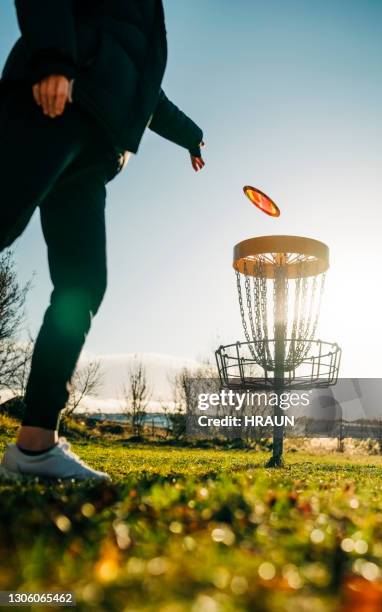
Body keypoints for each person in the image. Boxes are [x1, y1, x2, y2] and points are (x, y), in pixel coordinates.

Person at [0, 0, 205, 481]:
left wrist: (190, 135)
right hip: (53, 104)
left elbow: (141, 88)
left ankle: (34, 446)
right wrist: (53, 59)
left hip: (98, 148)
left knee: (83, 283)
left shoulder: (147, 18)